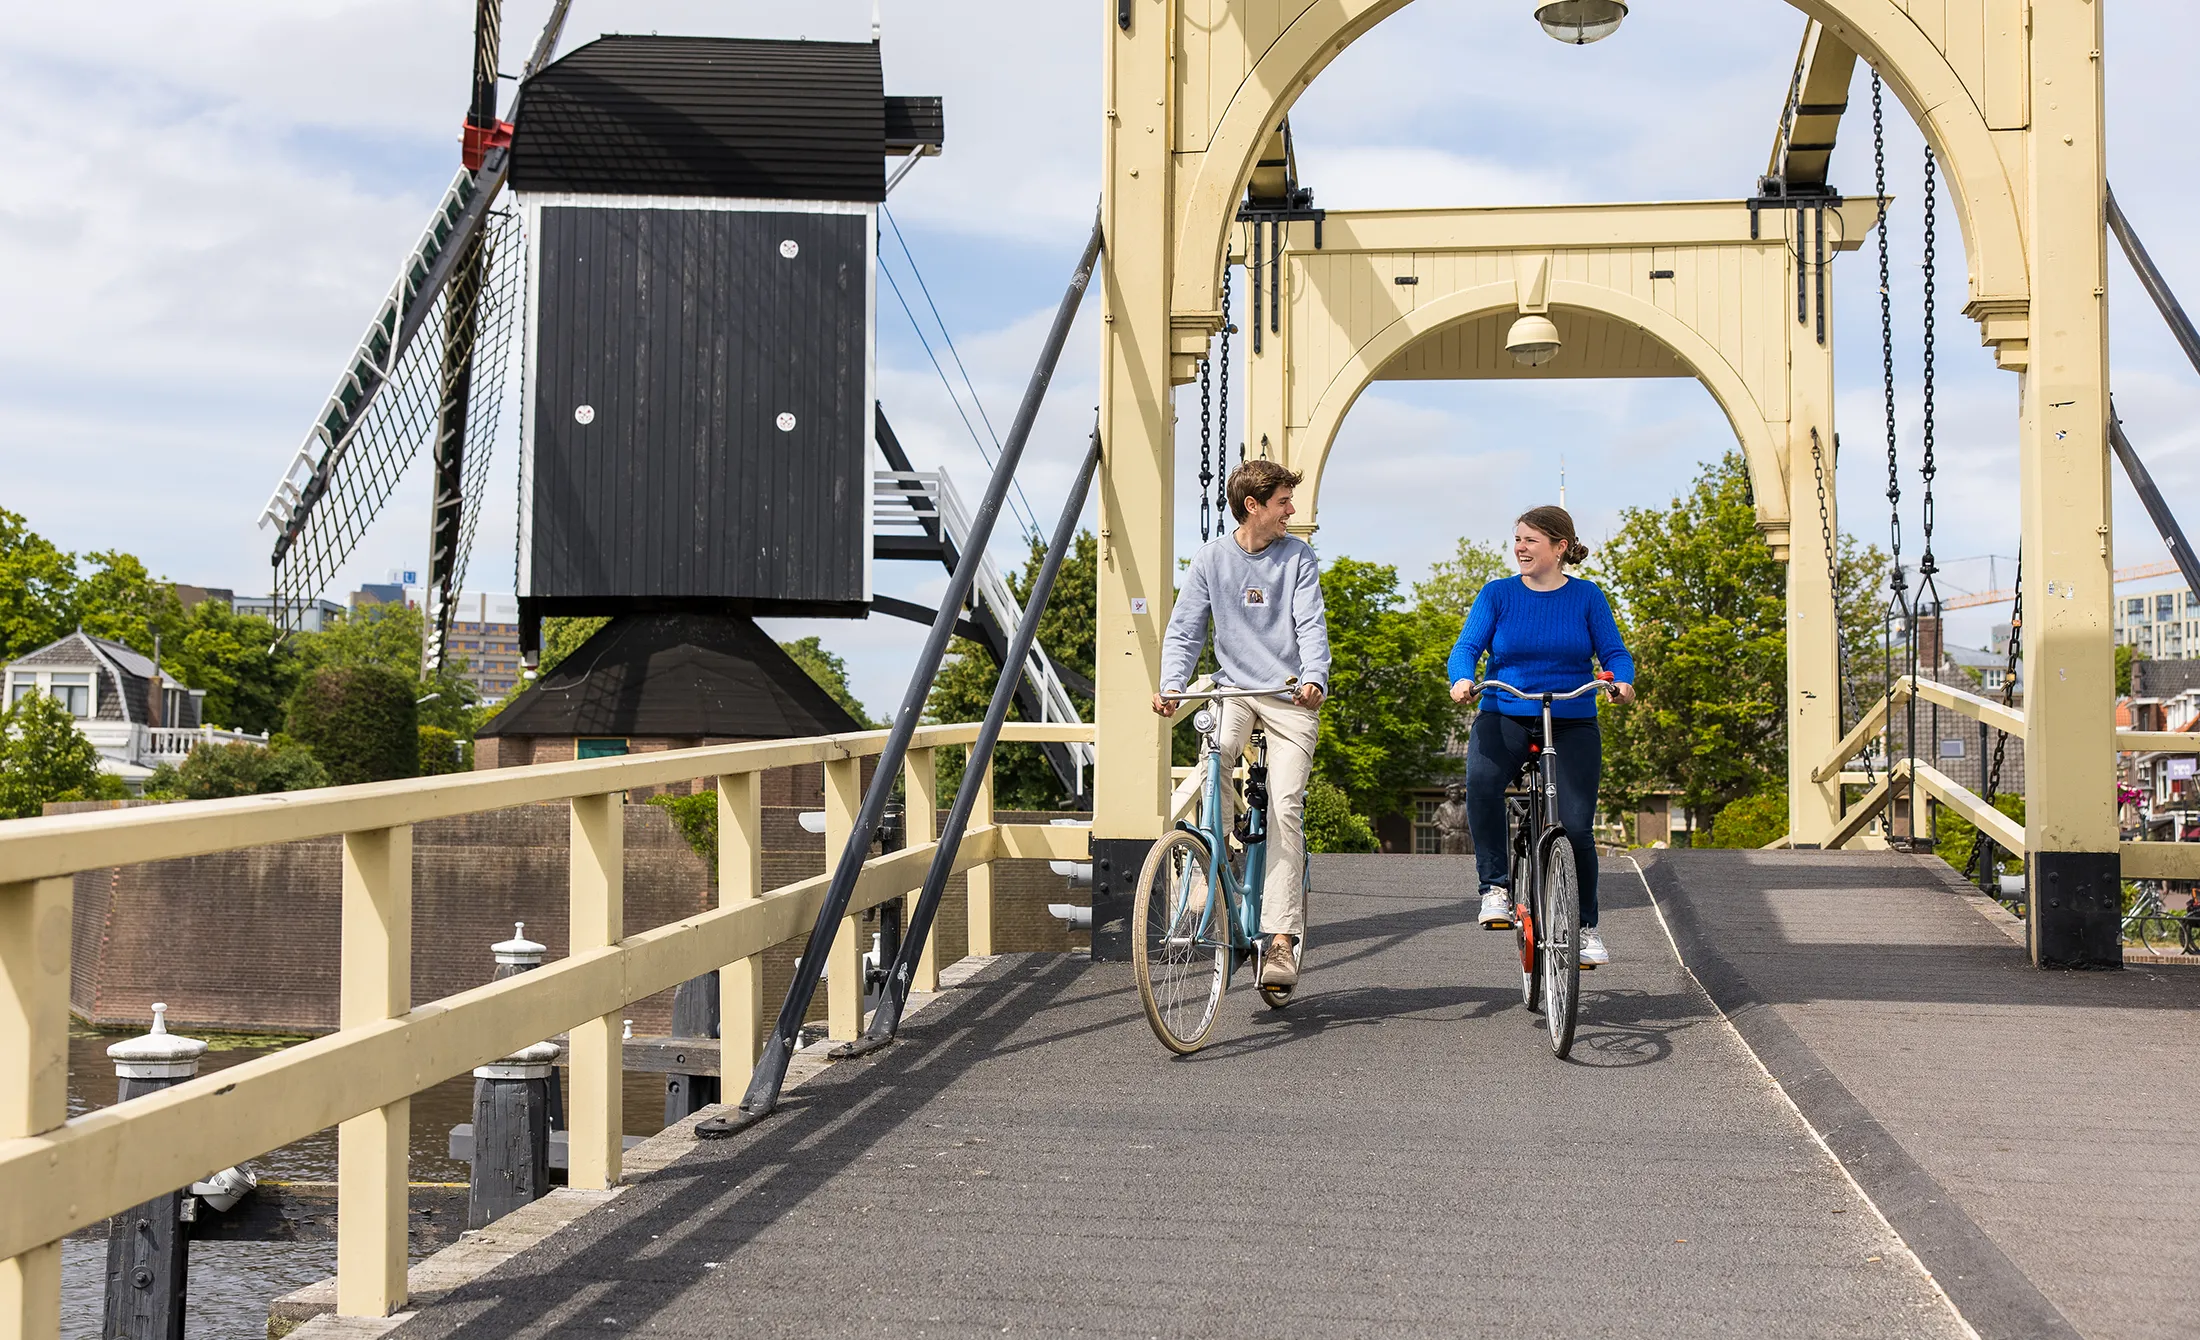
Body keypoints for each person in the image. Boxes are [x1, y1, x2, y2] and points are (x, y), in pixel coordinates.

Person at [1154, 459, 1330, 989]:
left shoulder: (1297, 557)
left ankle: (1279, 940)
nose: (1292, 511)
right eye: (1283, 502)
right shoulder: (1211, 559)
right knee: (1216, 756)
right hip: (1235, 689)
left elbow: (1310, 623)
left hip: (1287, 695)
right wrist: (1170, 684)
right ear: (1252, 506)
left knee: (1285, 803)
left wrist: (1315, 677)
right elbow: (1185, 630)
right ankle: (1216, 852)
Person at [1446, 505, 1635, 966]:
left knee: (1576, 826)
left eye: (1530, 540)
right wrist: (1461, 678)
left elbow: (1614, 652)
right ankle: (1495, 887)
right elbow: (1467, 647)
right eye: (1518, 540)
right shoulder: (1498, 595)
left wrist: (1622, 682)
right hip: (1506, 710)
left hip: (1571, 716)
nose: (1520, 548)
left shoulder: (1588, 597)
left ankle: (1586, 928)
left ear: (1560, 547)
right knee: (1483, 784)